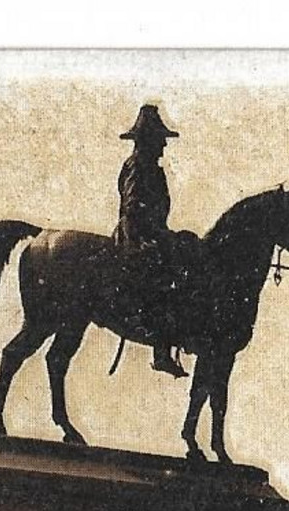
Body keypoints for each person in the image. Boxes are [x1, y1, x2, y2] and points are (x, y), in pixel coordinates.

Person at [114, 104, 190, 378]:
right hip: (136, 237)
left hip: (153, 233)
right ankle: (161, 349)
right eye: (159, 140)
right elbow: (132, 208)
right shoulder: (137, 166)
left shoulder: (153, 168)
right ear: (147, 141)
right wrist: (150, 238)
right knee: (162, 275)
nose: (163, 146)